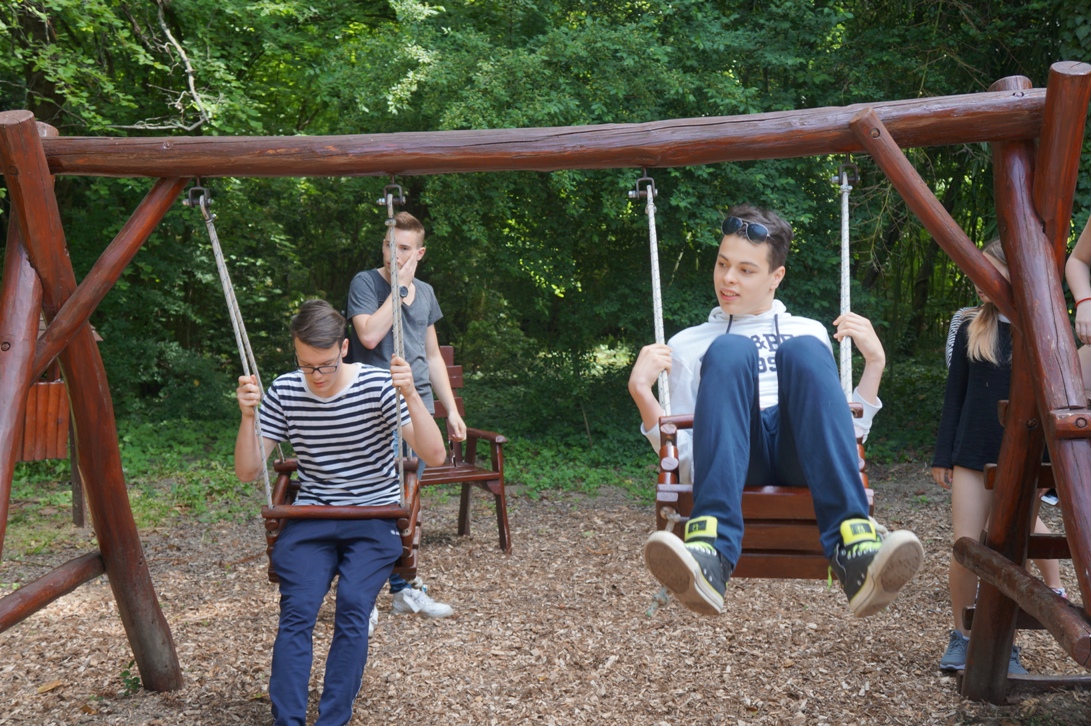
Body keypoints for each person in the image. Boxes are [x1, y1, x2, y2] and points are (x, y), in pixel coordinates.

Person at [630, 202, 923, 619]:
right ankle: (710, 552)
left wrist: (874, 365)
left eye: (746, 270)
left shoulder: (810, 331)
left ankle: (855, 549)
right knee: (729, 351)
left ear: (776, 277)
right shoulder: (686, 344)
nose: (728, 279)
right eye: (722, 263)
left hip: (796, 453)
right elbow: (685, 452)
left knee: (804, 350)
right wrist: (642, 392)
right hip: (735, 456)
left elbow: (841, 438)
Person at [235, 299, 447, 726]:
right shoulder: (285, 390)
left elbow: (435, 454)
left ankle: (333, 720)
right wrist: (247, 416)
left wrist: (410, 394)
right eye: (306, 365)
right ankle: (288, 721)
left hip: (373, 518)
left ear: (344, 348)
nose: (316, 376)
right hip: (311, 519)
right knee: (298, 610)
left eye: (326, 365)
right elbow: (247, 471)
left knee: (353, 606)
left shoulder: (377, 385)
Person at [932, 239, 1064, 675]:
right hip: (972, 454)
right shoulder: (973, 326)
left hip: (1025, 459)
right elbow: (954, 397)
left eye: (989, 270)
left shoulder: (1043, 326)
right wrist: (943, 456)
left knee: (1011, 554)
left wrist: (1048, 470)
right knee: (966, 547)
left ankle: (1005, 643)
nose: (979, 278)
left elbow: (1055, 404)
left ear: (1015, 273)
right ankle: (962, 636)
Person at [347, 210, 464, 621]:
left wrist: (450, 411)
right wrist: (397, 289)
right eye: (388, 245)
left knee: (408, 501)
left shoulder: (426, 292)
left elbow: (431, 356)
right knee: (372, 501)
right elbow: (368, 335)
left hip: (417, 406)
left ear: (420, 253)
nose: (394, 254)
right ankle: (363, 595)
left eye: (403, 248)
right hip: (372, 407)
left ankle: (402, 588)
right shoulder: (366, 283)